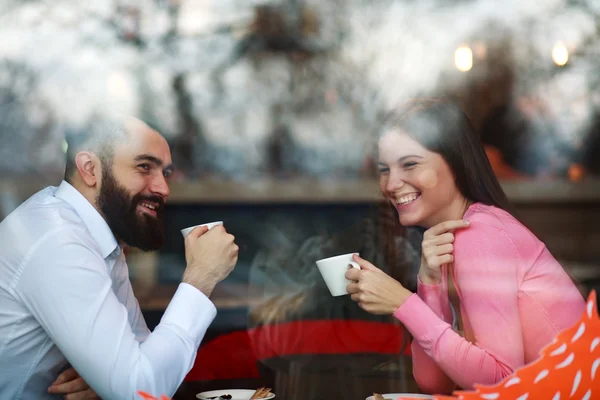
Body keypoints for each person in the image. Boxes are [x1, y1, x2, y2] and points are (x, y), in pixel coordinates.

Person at [345, 100, 586, 394]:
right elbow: (435, 381)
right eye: (384, 169)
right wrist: (429, 285)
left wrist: (401, 303)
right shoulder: (450, 237)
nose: (392, 184)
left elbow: (500, 383)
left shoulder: (480, 233)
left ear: (455, 164)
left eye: (409, 164)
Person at [0, 114, 239, 399]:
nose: (163, 188)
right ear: (90, 169)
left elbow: (143, 362)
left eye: (165, 172)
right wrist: (201, 277)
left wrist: (110, 380)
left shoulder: (98, 238)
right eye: (144, 167)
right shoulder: (59, 240)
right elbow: (143, 391)